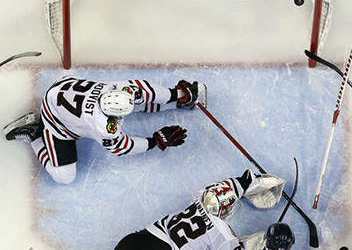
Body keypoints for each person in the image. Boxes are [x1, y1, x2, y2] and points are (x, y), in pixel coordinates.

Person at [3, 76, 207, 185]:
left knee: (138, 103)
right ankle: (36, 136)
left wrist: (177, 94)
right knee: (64, 177)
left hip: (62, 88)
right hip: (57, 121)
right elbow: (123, 147)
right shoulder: (103, 125)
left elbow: (148, 91)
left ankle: (180, 103)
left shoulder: (121, 89)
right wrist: (156, 141)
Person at [115, 169, 295, 250]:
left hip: (136, 241)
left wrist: (251, 182)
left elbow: (228, 188)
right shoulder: (224, 236)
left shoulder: (200, 198)